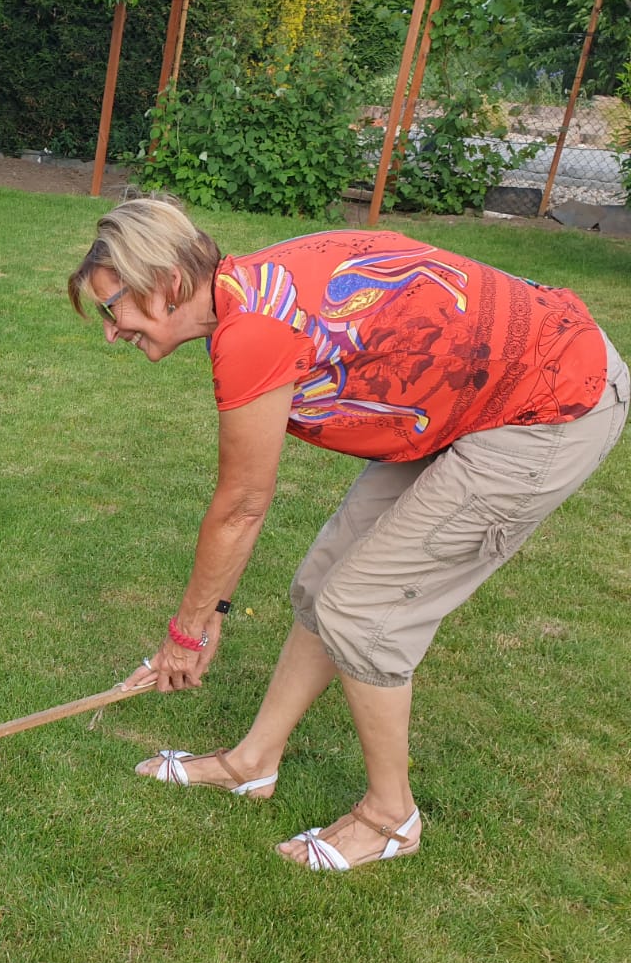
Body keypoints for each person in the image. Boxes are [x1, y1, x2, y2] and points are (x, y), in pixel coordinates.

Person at [68, 197, 627, 871]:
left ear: (167, 282)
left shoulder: (255, 330)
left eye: (113, 308)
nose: (110, 332)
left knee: (362, 611)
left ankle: (391, 818)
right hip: (467, 400)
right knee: (323, 586)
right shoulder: (248, 295)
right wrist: (206, 614)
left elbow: (242, 506)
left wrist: (188, 632)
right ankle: (252, 762)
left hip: (550, 403)